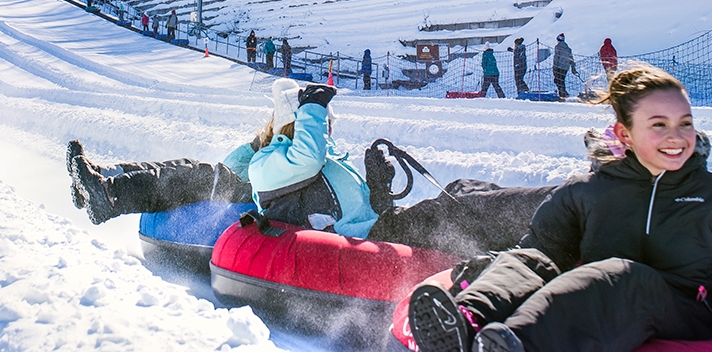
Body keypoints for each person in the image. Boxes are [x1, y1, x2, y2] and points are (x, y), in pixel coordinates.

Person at [406, 65, 712, 352]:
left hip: (682, 311)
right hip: (593, 305)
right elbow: (539, 255)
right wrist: (491, 279)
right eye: (658, 125)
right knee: (529, 260)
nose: (677, 137)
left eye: (685, 123)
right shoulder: (586, 191)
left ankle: (519, 345)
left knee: (624, 276)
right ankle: (466, 321)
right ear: (624, 134)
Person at [71, 79, 552, 259]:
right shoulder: (269, 167)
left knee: (465, 189)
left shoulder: (312, 154)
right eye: (313, 118)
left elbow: (347, 199)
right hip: (382, 237)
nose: (325, 123)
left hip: (386, 225)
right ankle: (568, 206)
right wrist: (311, 109)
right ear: (297, 123)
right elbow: (304, 157)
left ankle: (547, 229)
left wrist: (379, 189)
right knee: (466, 209)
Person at [552, 33, 579, 99]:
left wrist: (554, 66)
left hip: (558, 66)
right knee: (561, 80)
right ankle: (563, 93)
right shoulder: (568, 49)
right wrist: (573, 67)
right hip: (565, 67)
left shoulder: (557, 47)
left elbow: (556, 57)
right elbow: (571, 58)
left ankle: (563, 93)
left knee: (557, 80)